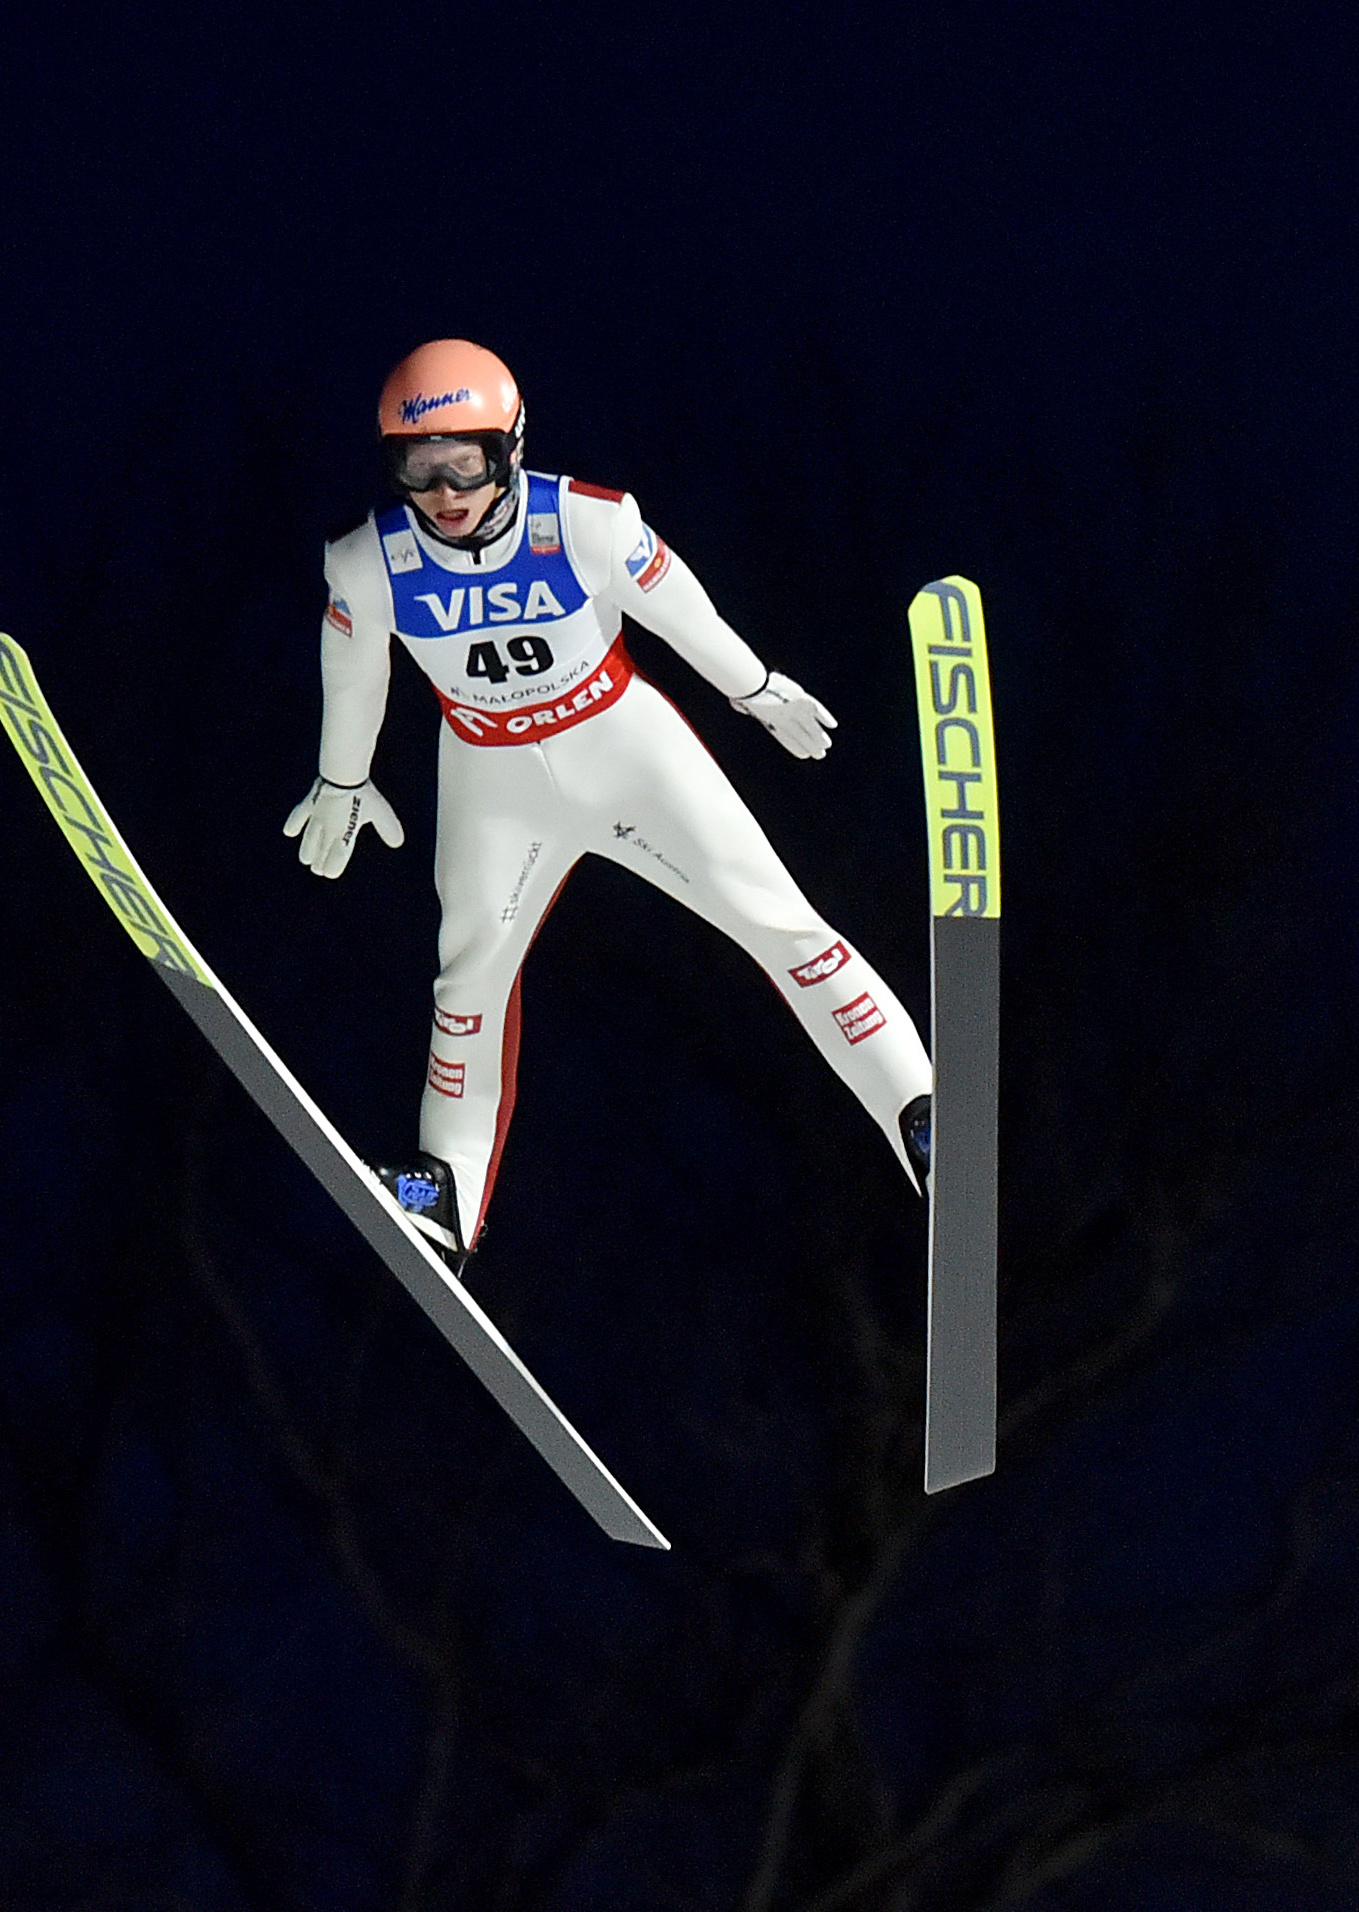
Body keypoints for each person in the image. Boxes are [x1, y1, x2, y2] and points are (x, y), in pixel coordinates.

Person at [283, 338, 933, 1273]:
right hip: (491, 775)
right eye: (417, 469)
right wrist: (342, 776)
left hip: (622, 746)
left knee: (778, 921)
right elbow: (354, 676)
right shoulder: (367, 564)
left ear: (511, 447)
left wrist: (755, 687)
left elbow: (684, 612)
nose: (444, 492)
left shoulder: (584, 522)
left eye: (467, 462)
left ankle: (920, 1112)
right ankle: (445, 1193)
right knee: (467, 980)